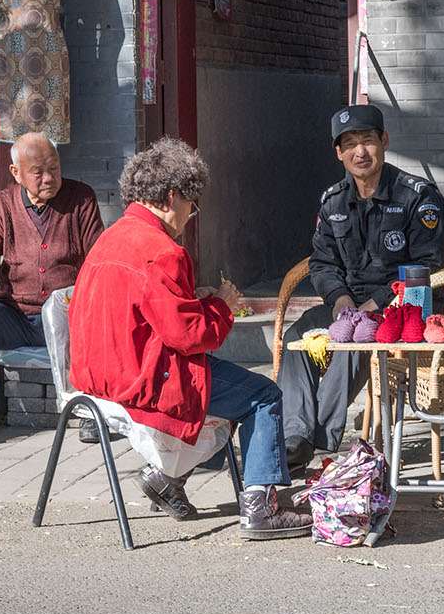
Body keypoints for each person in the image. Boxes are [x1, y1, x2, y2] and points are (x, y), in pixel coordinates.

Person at [68, 138, 311, 541]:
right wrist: (222, 306)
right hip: (142, 377)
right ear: (170, 196)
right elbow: (189, 337)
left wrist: (198, 300)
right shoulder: (163, 251)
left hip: (96, 375)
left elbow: (147, 313)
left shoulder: (109, 238)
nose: (189, 216)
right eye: (190, 205)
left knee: (225, 390)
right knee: (263, 396)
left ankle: (168, 478)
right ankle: (260, 509)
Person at [278, 104, 444, 468]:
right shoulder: (333, 201)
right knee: (297, 338)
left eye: (368, 141)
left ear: (384, 142)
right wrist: (340, 301)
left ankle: (319, 441)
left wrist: (373, 305)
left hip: (403, 309)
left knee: (357, 336)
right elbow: (322, 262)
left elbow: (428, 266)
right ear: (338, 153)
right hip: (349, 305)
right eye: (350, 144)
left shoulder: (417, 196)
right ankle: (295, 437)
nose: (360, 152)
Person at [0, 132, 104, 443]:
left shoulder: (82, 199)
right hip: (18, 315)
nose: (49, 177)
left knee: (98, 320)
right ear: (17, 173)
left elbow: (98, 257)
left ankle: (92, 408)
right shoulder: (3, 205)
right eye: (38, 171)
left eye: (54, 168)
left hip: (67, 313)